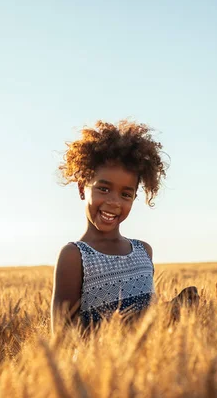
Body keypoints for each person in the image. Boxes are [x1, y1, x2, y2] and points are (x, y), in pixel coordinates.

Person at [50, 120, 199, 334]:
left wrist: (175, 307)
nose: (114, 202)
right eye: (103, 188)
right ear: (83, 188)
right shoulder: (74, 256)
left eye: (126, 194)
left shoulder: (143, 251)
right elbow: (63, 338)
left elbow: (148, 317)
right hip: (97, 367)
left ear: (135, 198)